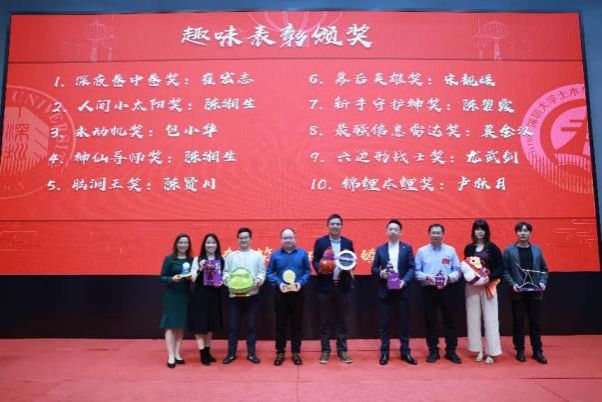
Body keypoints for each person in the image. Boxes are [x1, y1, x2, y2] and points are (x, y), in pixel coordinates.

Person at [502, 221, 549, 364]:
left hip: (535, 293)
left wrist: (542, 282)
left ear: (530, 233)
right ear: (516, 233)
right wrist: (512, 284)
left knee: (535, 323)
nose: (523, 233)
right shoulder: (509, 251)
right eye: (520, 231)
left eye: (526, 230)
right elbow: (505, 270)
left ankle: (537, 351)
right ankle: (520, 350)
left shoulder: (537, 250)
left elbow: (544, 269)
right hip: (518, 293)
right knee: (518, 323)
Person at [371, 219, 417, 366]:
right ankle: (384, 352)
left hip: (402, 289)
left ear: (400, 232)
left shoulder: (407, 248)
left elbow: (412, 267)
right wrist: (381, 273)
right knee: (384, 323)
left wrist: (404, 281)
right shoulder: (380, 249)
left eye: (396, 229)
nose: (393, 231)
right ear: (386, 231)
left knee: (404, 323)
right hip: (385, 289)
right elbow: (374, 268)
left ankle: (405, 352)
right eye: (390, 229)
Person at [415, 223, 463, 364]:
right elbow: (416, 272)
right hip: (429, 289)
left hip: (447, 289)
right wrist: (427, 277)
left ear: (443, 234)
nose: (436, 235)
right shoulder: (422, 251)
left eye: (438, 232)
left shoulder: (450, 250)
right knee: (431, 321)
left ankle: (451, 351)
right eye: (433, 232)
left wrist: (449, 277)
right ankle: (433, 351)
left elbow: (457, 270)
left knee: (450, 321)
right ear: (429, 234)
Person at [312, 213, 355, 364]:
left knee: (342, 320)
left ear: (341, 226)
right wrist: (320, 268)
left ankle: (342, 350)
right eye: (332, 224)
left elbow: (352, 261)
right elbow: (315, 260)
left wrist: (349, 267)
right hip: (325, 286)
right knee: (325, 320)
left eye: (338, 224)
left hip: (342, 286)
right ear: (328, 225)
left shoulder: (348, 243)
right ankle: (325, 350)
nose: (335, 226)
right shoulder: (320, 242)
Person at [266, 228, 311, 366]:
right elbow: (269, 273)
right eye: (285, 238)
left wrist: (300, 283)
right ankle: (280, 352)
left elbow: (307, 271)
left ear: (295, 239)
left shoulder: (302, 254)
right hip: (281, 294)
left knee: (297, 324)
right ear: (281, 240)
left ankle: (296, 352)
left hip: (298, 293)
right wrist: (279, 283)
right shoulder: (275, 255)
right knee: (281, 324)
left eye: (290, 237)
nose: (288, 240)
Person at [222, 227, 266, 364]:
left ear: (250, 239)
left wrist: (258, 280)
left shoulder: (257, 256)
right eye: (241, 238)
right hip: (234, 297)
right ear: (237, 240)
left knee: (251, 326)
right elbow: (225, 272)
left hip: (252, 296)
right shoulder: (231, 256)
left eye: (246, 237)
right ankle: (231, 354)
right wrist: (227, 280)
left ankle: (251, 353)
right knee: (233, 327)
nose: (243, 240)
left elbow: (262, 272)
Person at [462, 219, 503, 364]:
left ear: (486, 231)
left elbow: (500, 268)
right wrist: (469, 277)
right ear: (473, 231)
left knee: (491, 319)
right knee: (473, 319)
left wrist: (489, 277)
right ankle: (478, 349)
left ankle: (491, 351)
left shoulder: (493, 248)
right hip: (472, 287)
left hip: (488, 286)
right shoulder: (469, 248)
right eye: (477, 229)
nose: (480, 232)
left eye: (482, 229)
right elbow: (466, 265)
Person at [189, 233, 224, 365]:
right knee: (200, 325)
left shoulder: (221, 259)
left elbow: (225, 276)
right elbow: (193, 279)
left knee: (211, 325)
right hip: (200, 295)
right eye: (208, 242)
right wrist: (200, 268)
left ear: (217, 245)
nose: (211, 245)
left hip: (214, 295)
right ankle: (203, 354)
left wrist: (221, 281)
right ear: (204, 244)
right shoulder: (197, 259)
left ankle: (208, 352)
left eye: (213, 242)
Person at [160, 233, 193, 368]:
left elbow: (194, 277)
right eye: (180, 242)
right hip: (172, 295)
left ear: (189, 245)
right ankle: (171, 355)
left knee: (180, 325)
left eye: (185, 242)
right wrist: (171, 279)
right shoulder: (169, 259)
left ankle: (177, 353)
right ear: (176, 244)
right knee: (170, 325)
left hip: (185, 295)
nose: (183, 245)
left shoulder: (192, 260)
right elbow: (162, 277)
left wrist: (191, 278)